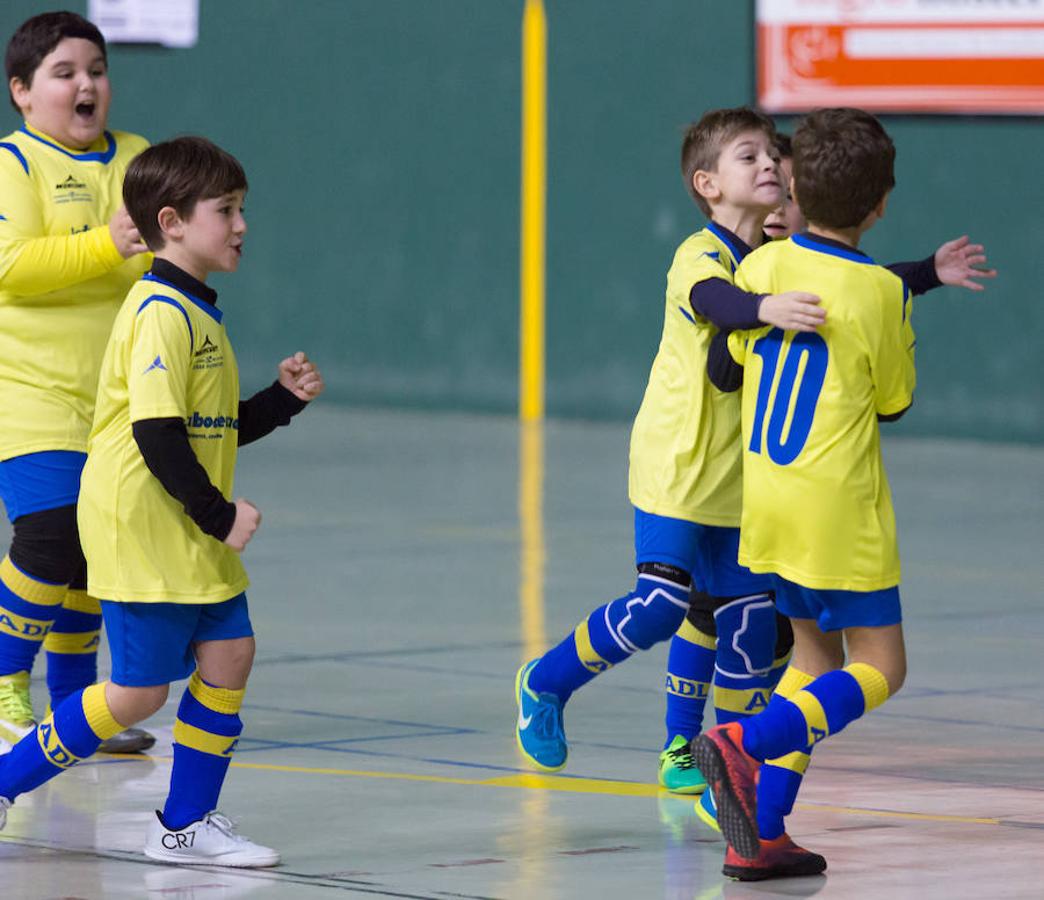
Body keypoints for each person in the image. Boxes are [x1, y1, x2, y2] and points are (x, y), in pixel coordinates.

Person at [0, 135, 324, 867]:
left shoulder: (197, 310)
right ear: (172, 222)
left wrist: (280, 402)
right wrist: (219, 514)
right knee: (136, 695)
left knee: (231, 652)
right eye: (226, 210)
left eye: (242, 209)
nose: (241, 224)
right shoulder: (158, 311)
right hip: (146, 526)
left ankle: (183, 824)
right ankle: (4, 784)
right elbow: (155, 432)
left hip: (185, 525)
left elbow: (207, 425)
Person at [685, 129, 995, 830]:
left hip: (769, 508)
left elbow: (727, 360)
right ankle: (742, 743)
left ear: (793, 191)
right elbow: (893, 402)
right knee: (883, 667)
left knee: (813, 665)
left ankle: (760, 832)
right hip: (838, 518)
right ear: (881, 206)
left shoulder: (761, 269)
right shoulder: (882, 292)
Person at [514, 107, 825, 780]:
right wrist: (766, 313)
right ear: (708, 184)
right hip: (677, 469)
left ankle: (726, 773)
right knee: (661, 607)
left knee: (748, 628)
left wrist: (924, 274)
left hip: (741, 484)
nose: (770, 163)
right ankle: (545, 681)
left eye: (773, 153)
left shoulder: (775, 263)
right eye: (750, 156)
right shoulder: (702, 254)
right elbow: (717, 303)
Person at [0, 10, 153, 754]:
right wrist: (107, 244)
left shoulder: (137, 157)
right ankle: (4, 687)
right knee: (50, 535)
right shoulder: (12, 164)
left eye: (95, 70)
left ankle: (75, 712)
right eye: (64, 74)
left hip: (118, 400)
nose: (85, 85)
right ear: (22, 93)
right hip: (31, 396)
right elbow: (10, 265)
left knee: (94, 552)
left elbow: (163, 253)